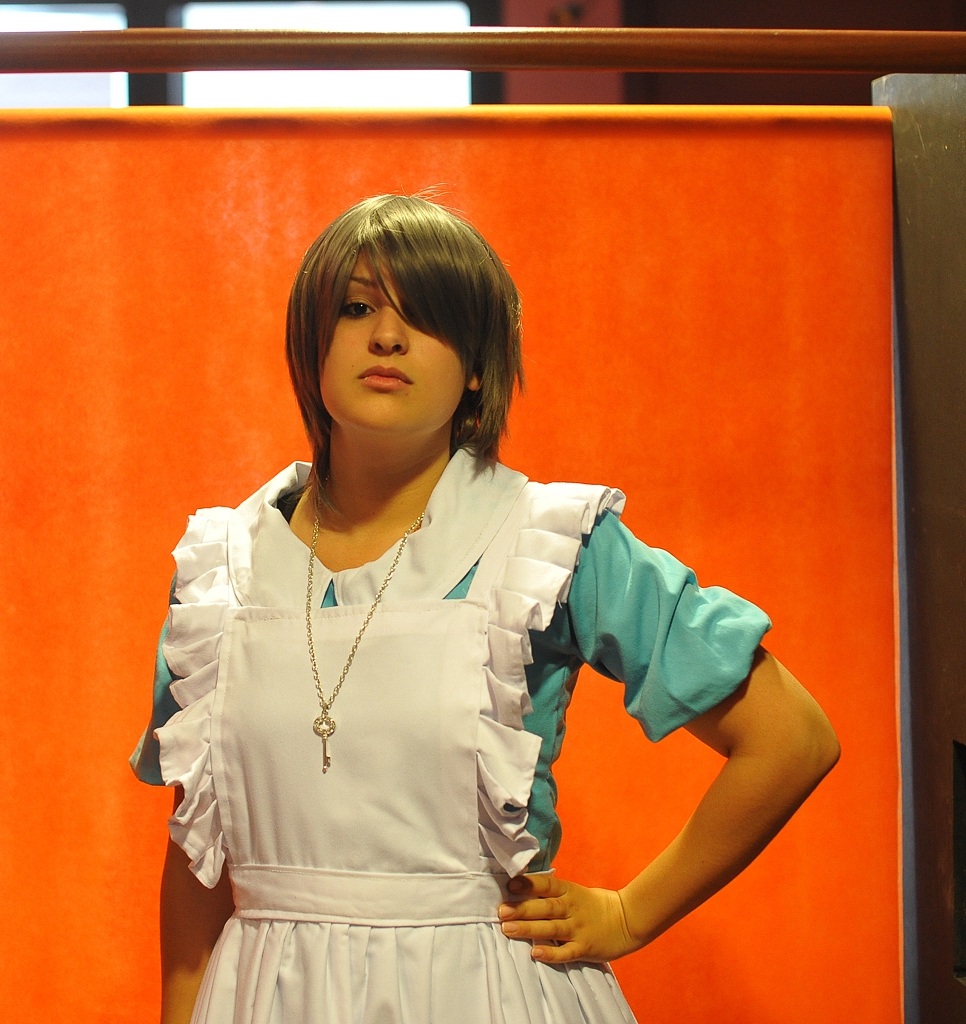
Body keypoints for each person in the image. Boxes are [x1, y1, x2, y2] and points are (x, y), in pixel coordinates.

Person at [131, 194, 840, 1024]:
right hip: (265, 997)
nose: (386, 336)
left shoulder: (550, 544)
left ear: (477, 365)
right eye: (356, 308)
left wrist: (628, 914)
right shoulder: (222, 570)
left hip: (486, 990)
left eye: (425, 316)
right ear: (311, 342)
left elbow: (792, 738)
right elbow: (198, 849)